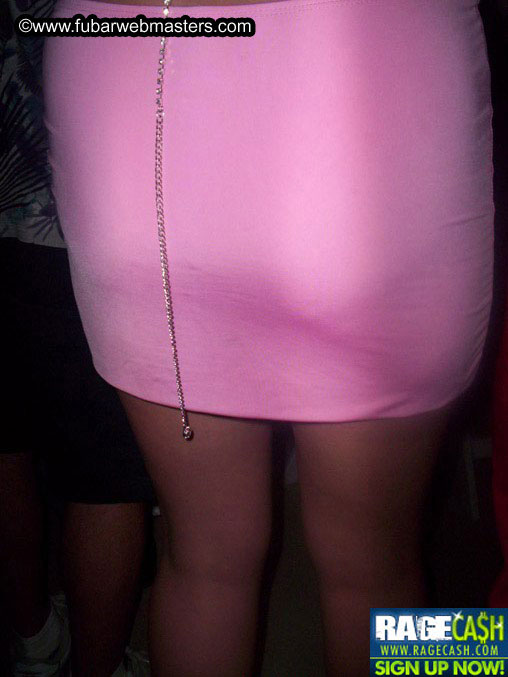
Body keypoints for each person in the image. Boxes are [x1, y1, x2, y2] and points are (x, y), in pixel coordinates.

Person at [42, 0, 495, 674]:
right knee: (383, 564)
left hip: (130, 82)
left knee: (201, 557)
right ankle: (451, 652)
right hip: (364, 74)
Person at [1, 1, 156, 674]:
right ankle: (97, 667)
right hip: (69, 226)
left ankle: (34, 638)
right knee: (105, 475)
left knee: (7, 442)